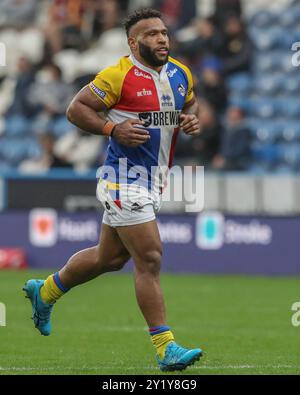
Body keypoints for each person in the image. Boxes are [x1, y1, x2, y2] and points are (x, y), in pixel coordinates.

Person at [23, 8, 203, 372]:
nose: (162, 39)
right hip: (123, 179)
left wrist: (191, 117)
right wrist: (112, 130)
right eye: (152, 34)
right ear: (133, 43)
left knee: (111, 259)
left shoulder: (180, 74)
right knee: (149, 258)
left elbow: (190, 103)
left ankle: (45, 292)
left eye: (164, 32)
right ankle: (165, 346)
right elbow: (76, 110)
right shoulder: (117, 76)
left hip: (155, 181)